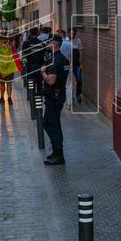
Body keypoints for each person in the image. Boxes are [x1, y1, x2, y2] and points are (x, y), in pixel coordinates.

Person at [41, 35, 71, 166]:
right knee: (50, 124)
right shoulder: (64, 59)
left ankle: (58, 155)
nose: (47, 44)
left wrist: (43, 72)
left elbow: (51, 81)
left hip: (53, 97)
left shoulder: (54, 60)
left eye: (49, 42)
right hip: (59, 95)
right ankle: (56, 152)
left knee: (52, 126)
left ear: (55, 44)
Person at [0, 35, 22, 105]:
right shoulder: (11, 45)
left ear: (0, 39)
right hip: (10, 67)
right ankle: (9, 98)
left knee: (2, 84)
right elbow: (15, 55)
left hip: (1, 68)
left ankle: (2, 98)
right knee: (9, 83)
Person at [70, 28, 83, 103]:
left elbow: (81, 52)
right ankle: (70, 96)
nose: (72, 35)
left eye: (73, 33)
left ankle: (78, 95)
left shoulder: (78, 41)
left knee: (79, 80)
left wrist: (81, 64)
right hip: (68, 65)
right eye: (71, 33)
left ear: (75, 33)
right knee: (69, 82)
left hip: (77, 65)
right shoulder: (66, 40)